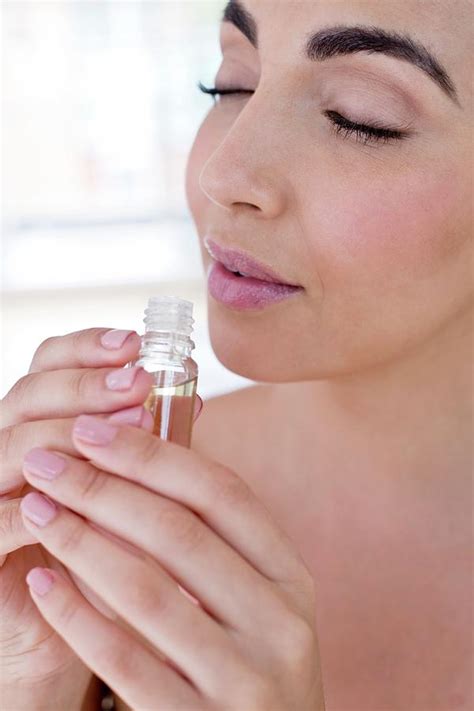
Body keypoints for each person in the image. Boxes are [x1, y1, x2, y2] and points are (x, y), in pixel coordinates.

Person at [0, 1, 471, 709]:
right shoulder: (84, 533)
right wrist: (30, 690)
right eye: (231, 83)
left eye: (359, 117)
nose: (225, 173)